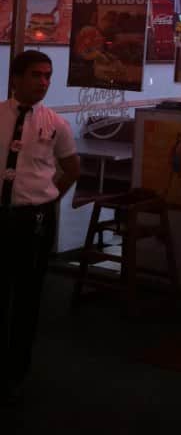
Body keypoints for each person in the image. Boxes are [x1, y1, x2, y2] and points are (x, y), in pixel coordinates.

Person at [0, 50, 80, 405]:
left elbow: (72, 169)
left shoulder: (56, 124)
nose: (44, 82)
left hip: (33, 219)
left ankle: (16, 370)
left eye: (48, 76)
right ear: (15, 78)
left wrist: (46, 200)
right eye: (36, 75)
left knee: (28, 296)